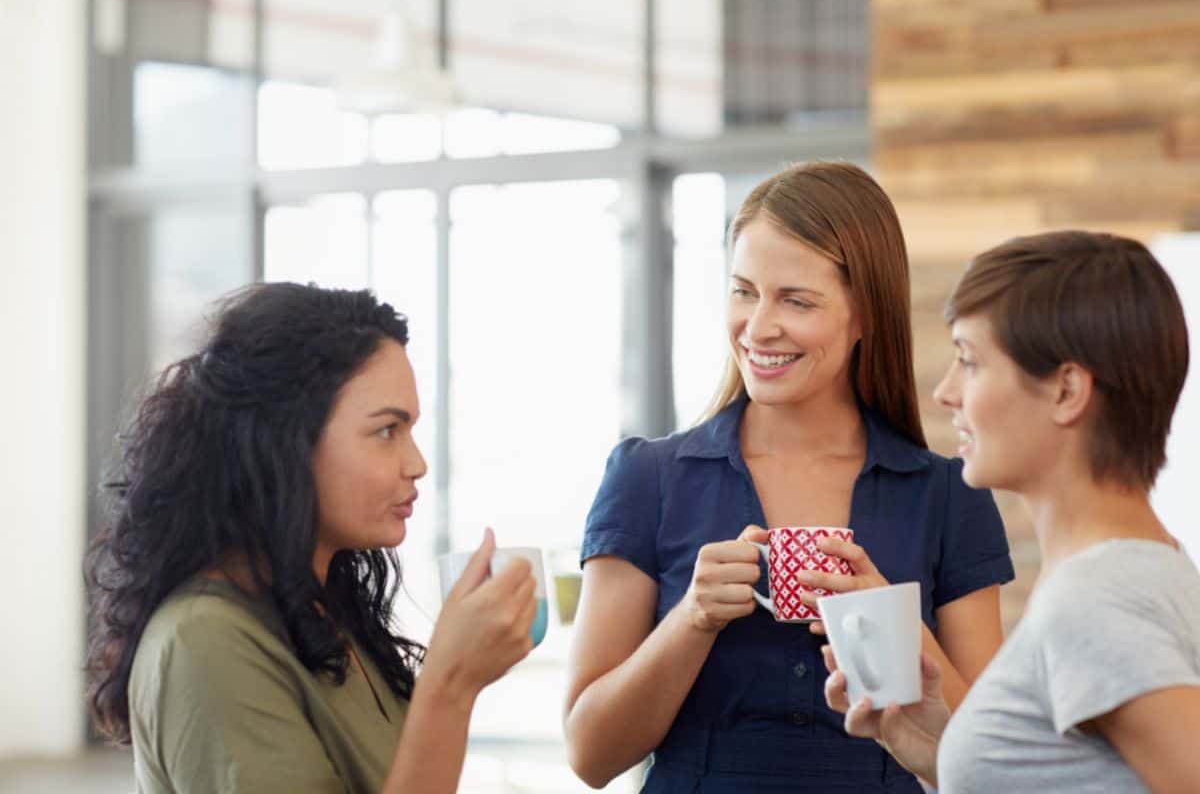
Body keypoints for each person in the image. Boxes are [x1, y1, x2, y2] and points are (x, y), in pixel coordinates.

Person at [564, 161, 1015, 792]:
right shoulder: (648, 479)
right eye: (744, 291)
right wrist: (692, 619)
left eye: (796, 300)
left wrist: (896, 635)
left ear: (865, 315)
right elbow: (590, 755)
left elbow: (995, 764)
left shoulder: (946, 497)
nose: (758, 326)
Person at [85, 283, 537, 793]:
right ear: (287, 444)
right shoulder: (203, 639)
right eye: (387, 431)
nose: (417, 464)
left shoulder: (325, 613)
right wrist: (451, 684)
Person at [823, 230, 1200, 791]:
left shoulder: (1094, 603)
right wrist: (945, 754)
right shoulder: (1147, 567)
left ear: (1067, 390)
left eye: (969, 361)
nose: (946, 393)